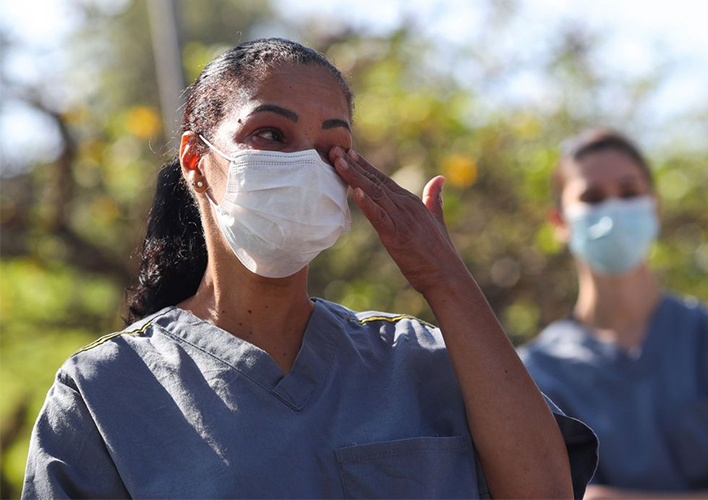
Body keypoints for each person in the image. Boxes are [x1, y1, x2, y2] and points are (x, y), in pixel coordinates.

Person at [22, 38, 597, 499]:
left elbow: (544, 491)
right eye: (271, 135)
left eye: (331, 148)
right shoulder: (105, 392)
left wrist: (445, 278)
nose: (305, 164)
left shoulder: (424, 363)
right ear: (196, 161)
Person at [518, 129, 708, 499]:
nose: (613, 210)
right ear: (560, 223)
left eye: (629, 193)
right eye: (592, 197)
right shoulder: (535, 373)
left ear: (655, 207)